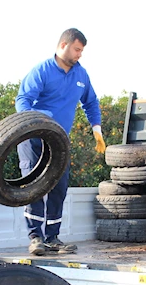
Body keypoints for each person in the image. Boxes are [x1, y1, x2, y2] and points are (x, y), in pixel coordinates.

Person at [16, 27, 106, 256]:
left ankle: (52, 237)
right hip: (34, 139)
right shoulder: (43, 71)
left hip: (59, 141)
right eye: (77, 49)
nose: (80, 54)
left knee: (58, 187)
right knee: (33, 187)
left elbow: (91, 103)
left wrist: (97, 130)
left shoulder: (81, 75)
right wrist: (32, 124)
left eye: (82, 50)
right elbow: (23, 99)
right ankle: (35, 238)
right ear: (63, 45)